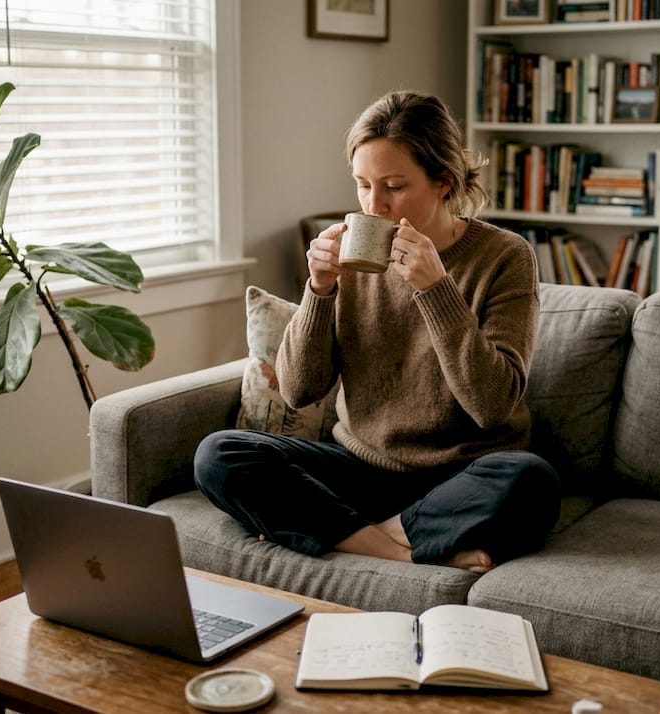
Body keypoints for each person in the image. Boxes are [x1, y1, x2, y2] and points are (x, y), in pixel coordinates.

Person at [193, 90, 559, 573]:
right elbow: (301, 391)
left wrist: (436, 289)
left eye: (393, 186)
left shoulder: (505, 257)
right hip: (361, 467)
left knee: (531, 481)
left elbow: (492, 407)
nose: (374, 205)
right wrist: (319, 291)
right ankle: (394, 546)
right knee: (219, 454)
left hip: (463, 471)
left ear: (443, 181)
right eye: (363, 185)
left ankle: (342, 530)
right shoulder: (354, 256)